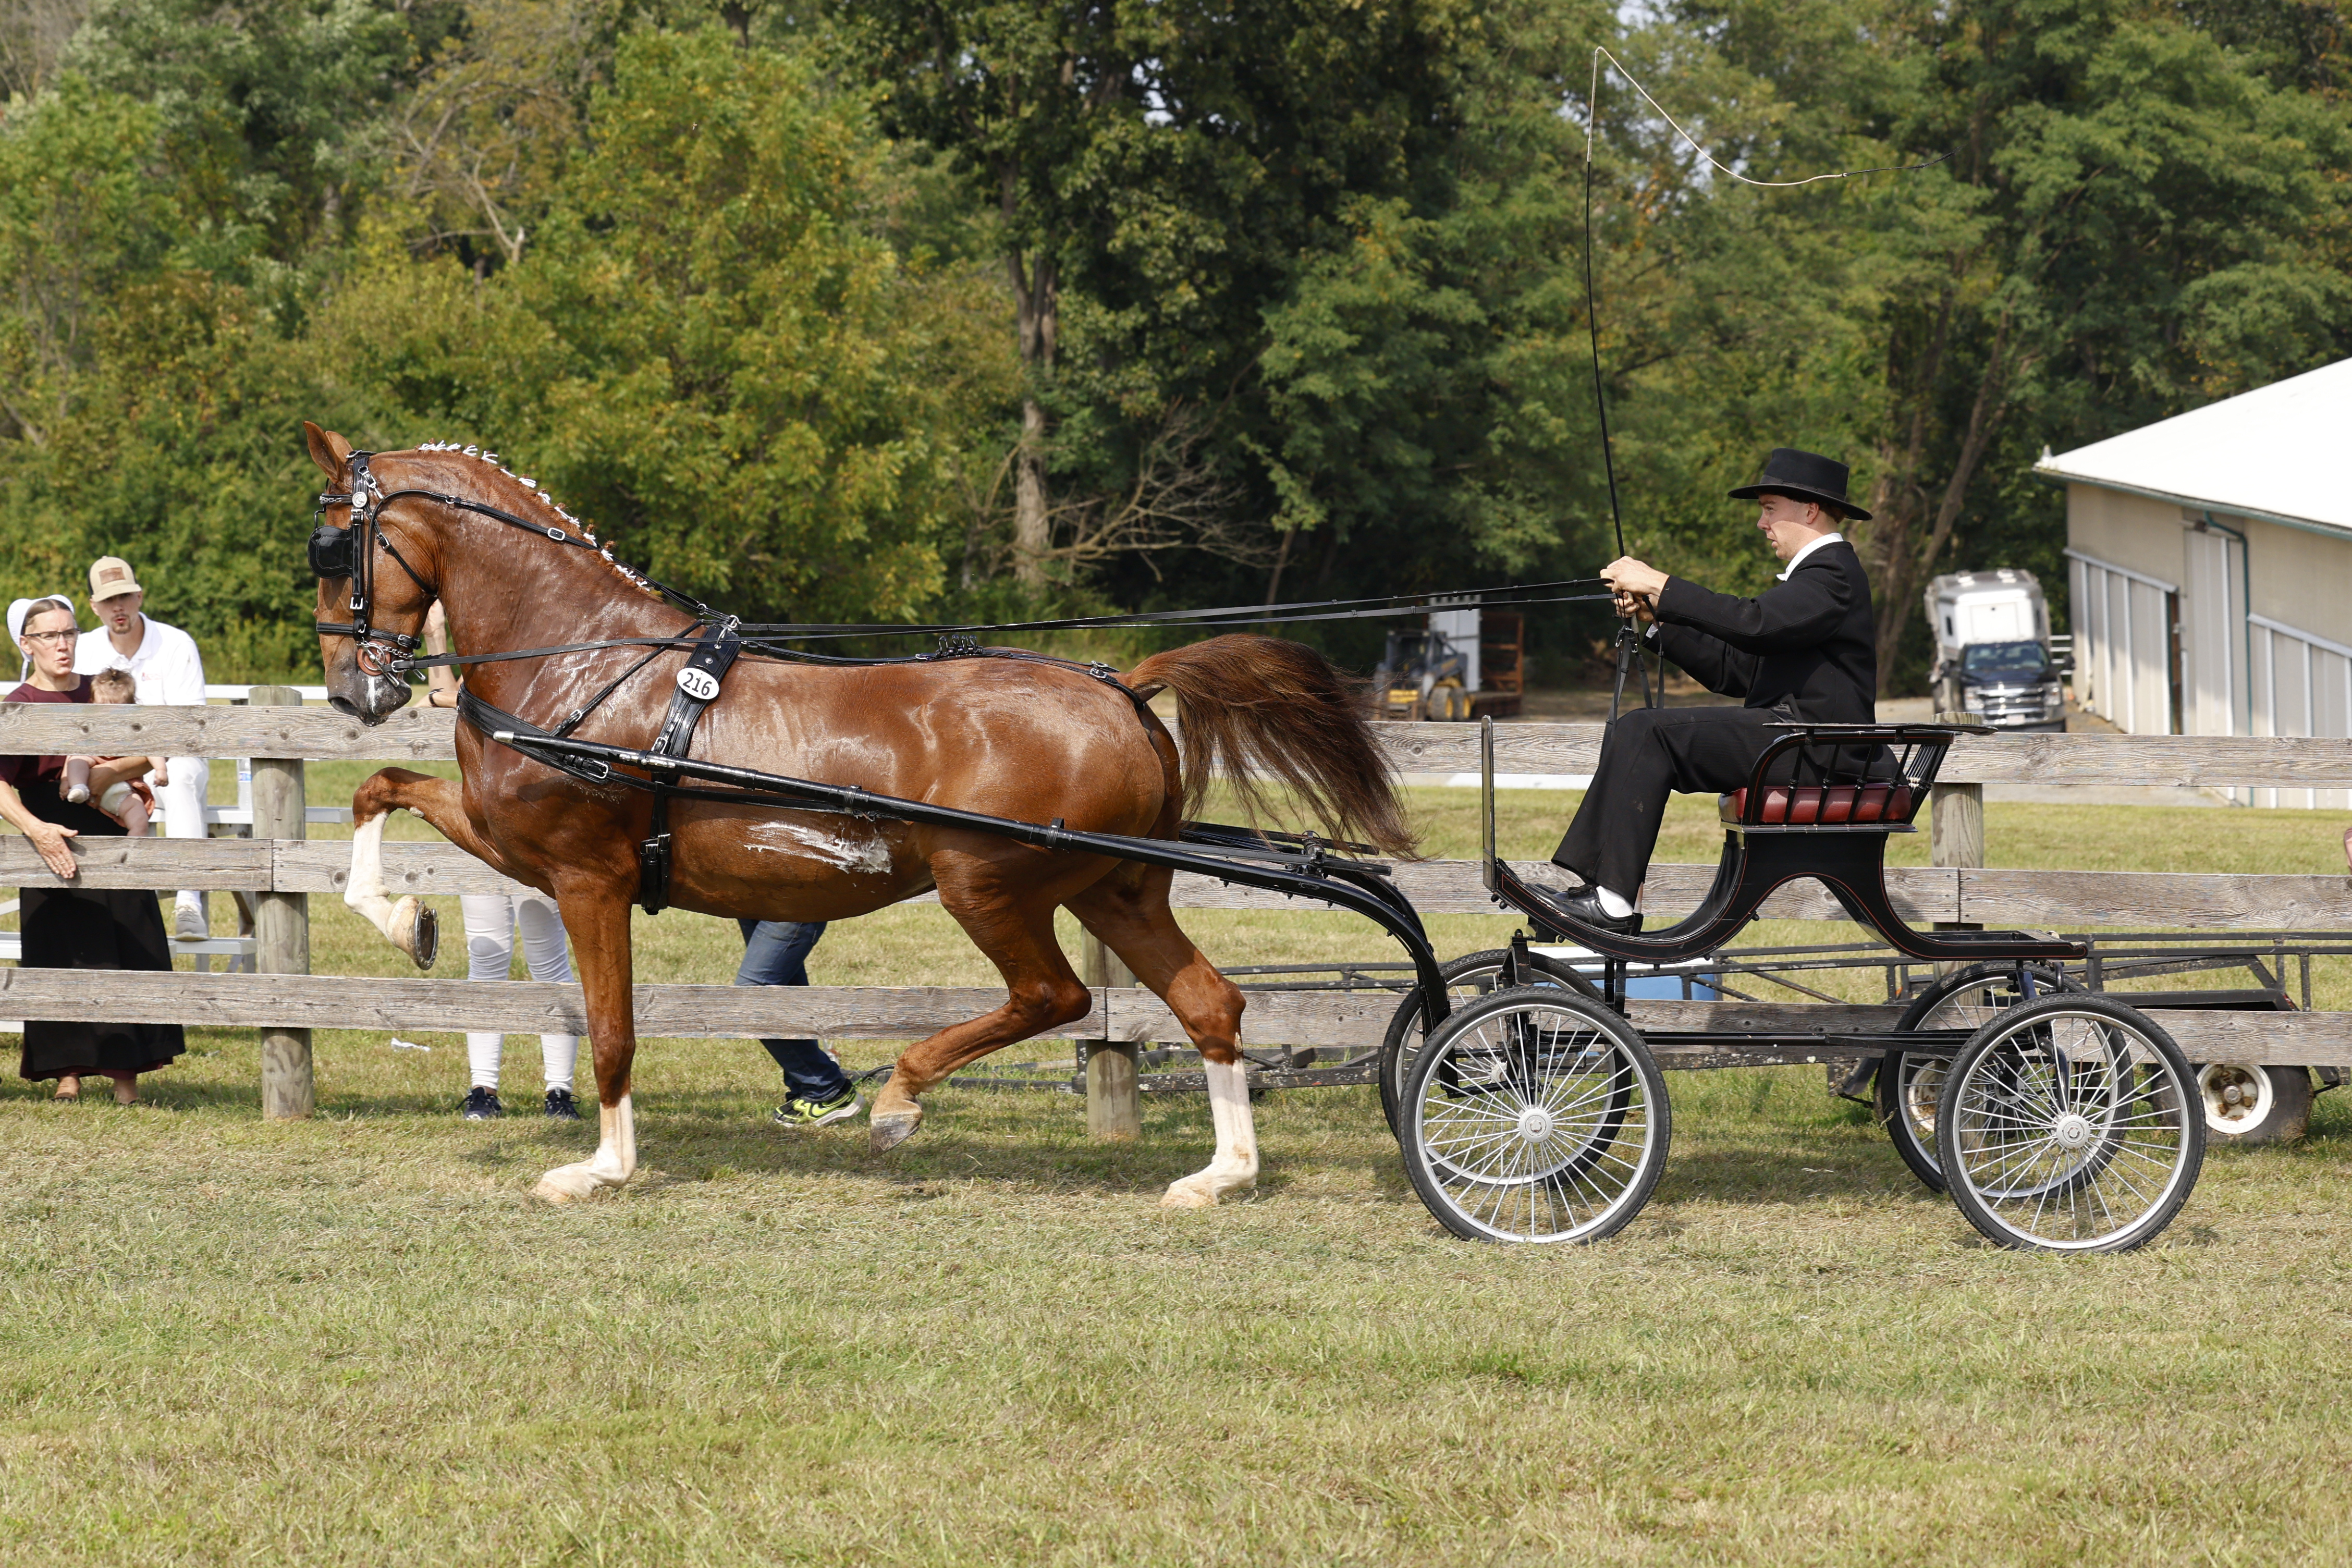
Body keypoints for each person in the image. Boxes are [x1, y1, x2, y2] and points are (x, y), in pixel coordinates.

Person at [1550, 447, 1879, 933]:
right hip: (1800, 741)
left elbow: (1755, 623)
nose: (1761, 524)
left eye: (1769, 508)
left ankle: (1613, 902)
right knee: (1645, 731)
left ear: (1809, 510)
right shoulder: (1820, 580)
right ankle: (1609, 894)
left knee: (1648, 731)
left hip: (1817, 746)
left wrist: (1660, 583)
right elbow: (1737, 670)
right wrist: (1658, 618)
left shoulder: (1833, 574)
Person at [1, 595, 184, 1102]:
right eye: (48, 635)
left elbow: (146, 748)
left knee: (128, 942)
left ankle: (126, 1074)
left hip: (112, 828)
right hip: (51, 836)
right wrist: (36, 829)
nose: (62, 644)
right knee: (60, 950)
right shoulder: (19, 705)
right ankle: (67, 1071)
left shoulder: (101, 689)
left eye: (69, 632)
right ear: (26, 643)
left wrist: (112, 772)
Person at [414, 604, 584, 1119]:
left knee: (546, 958)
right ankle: (484, 1088)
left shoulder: (540, 669)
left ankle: (559, 1089)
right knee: (488, 953)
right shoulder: (493, 664)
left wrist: (450, 690)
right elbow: (442, 690)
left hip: (536, 828)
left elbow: (447, 694)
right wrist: (436, 631)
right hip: (486, 827)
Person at [72, 557, 211, 940]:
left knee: (181, 774)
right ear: (93, 606)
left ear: (139, 596)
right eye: (108, 600)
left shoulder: (176, 643)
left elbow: (187, 731)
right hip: (102, 762)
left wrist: (117, 771)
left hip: (165, 762)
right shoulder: (82, 649)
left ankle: (188, 900)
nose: (118, 608)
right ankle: (91, 911)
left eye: (125, 596)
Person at [736, 919, 861, 1128]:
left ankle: (827, 1089)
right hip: (751, 898)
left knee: (752, 998)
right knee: (786, 989)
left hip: (789, 899)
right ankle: (804, 1090)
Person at [64, 669, 162, 835]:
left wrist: (161, 770)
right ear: (92, 704)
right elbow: (72, 752)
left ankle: (131, 853)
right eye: (102, 709)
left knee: (140, 822)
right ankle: (78, 787)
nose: (110, 717)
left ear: (131, 708)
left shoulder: (135, 728)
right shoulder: (90, 727)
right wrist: (66, 780)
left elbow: (153, 748)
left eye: (118, 711)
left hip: (124, 789)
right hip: (91, 773)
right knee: (79, 759)